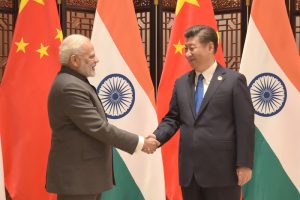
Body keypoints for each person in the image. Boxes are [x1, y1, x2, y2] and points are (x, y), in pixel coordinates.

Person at [46, 34, 158, 200]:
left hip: (85, 177)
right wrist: (140, 143)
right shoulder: (70, 86)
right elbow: (98, 127)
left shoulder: (74, 81)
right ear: (75, 60)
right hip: (78, 178)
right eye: (91, 56)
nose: (96, 60)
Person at [150, 25, 255, 200]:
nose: (187, 54)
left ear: (210, 47)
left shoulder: (234, 81)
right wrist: (156, 137)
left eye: (192, 48)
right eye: (185, 49)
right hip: (189, 173)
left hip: (222, 171)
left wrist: (244, 164)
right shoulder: (181, 83)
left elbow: (245, 125)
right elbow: (173, 118)